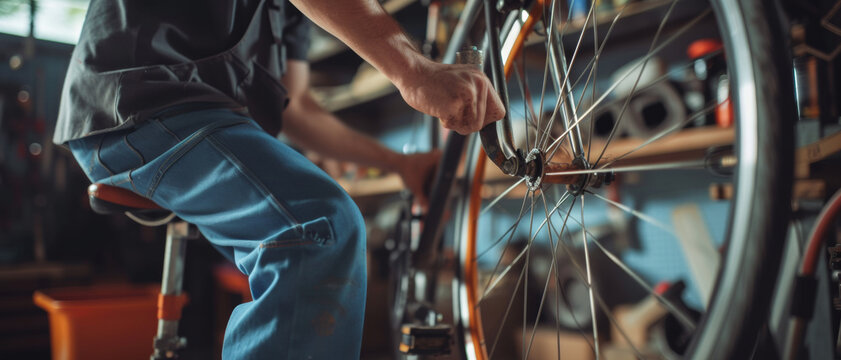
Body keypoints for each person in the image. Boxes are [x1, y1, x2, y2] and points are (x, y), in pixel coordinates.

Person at [53, 0, 505, 358]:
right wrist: (414, 69)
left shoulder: (289, 13)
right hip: (137, 101)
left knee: (319, 223)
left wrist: (400, 164)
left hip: (195, 114)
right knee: (316, 228)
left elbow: (299, 110)